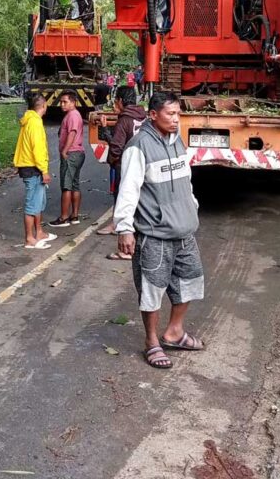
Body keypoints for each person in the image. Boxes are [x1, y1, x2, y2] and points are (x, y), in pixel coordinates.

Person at [115, 91, 204, 370]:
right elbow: (128, 189)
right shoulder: (138, 147)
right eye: (170, 114)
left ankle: (174, 332)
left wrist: (192, 206)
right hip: (155, 233)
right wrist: (125, 228)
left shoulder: (177, 141)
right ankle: (151, 341)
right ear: (153, 115)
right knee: (151, 288)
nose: (176, 119)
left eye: (178, 114)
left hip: (184, 231)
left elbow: (186, 180)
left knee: (190, 281)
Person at [96, 86, 147, 260]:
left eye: (116, 100)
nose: (114, 104)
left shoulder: (124, 120)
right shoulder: (143, 117)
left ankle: (126, 250)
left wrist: (105, 130)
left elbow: (116, 147)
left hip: (124, 166)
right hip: (141, 165)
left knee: (122, 200)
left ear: (120, 101)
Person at [14, 93, 56, 249]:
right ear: (44, 105)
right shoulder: (35, 123)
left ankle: (39, 233)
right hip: (33, 168)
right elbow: (37, 149)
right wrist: (44, 170)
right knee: (32, 204)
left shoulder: (29, 119)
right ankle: (29, 238)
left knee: (38, 202)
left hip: (29, 166)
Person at [49, 90, 86, 228]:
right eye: (61, 102)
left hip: (71, 153)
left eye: (65, 102)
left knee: (66, 186)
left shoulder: (73, 115)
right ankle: (74, 215)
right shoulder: (73, 115)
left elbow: (72, 133)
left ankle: (64, 217)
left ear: (73, 102)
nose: (62, 104)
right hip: (77, 153)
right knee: (74, 185)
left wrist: (65, 150)